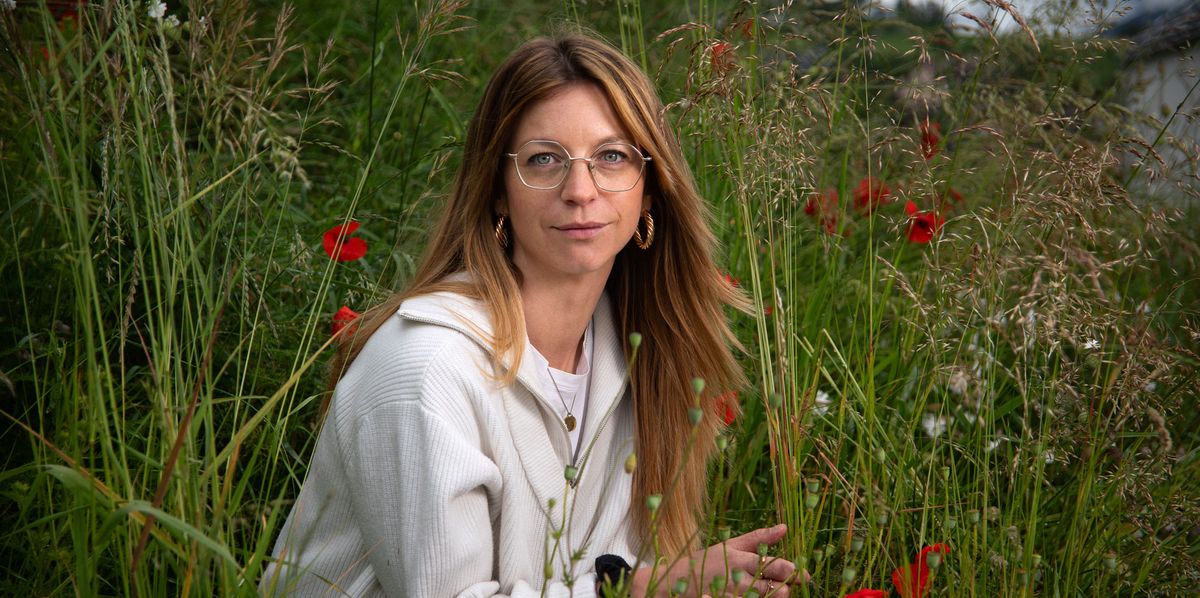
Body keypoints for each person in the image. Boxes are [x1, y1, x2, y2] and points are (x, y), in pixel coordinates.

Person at [261, 33, 797, 597]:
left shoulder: (640, 355)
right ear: (497, 191)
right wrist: (643, 590)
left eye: (611, 157)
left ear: (650, 191)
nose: (581, 190)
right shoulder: (425, 368)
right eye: (544, 159)